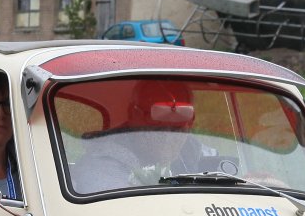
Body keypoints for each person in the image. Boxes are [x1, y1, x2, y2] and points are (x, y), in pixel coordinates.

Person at [68, 80, 211, 195]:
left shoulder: (192, 151)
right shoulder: (101, 168)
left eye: (177, 129)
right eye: (158, 127)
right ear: (134, 115)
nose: (168, 137)